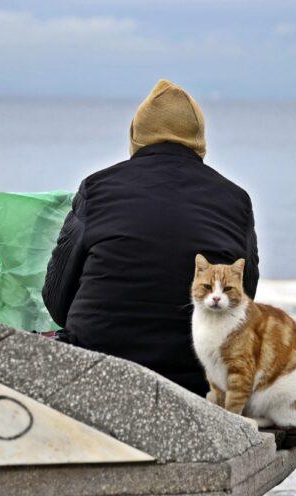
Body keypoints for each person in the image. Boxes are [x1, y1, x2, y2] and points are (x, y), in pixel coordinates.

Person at [42, 79, 259, 396]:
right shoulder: (236, 200)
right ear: (199, 140)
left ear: (135, 135)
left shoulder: (97, 188)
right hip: (198, 379)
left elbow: (56, 299)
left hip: (96, 367)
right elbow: (241, 299)